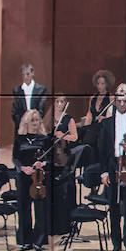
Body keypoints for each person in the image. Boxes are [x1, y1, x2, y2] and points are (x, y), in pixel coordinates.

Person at [97, 83, 126, 251]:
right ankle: (116, 244)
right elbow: (101, 149)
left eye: (125, 101)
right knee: (114, 207)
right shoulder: (107, 123)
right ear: (115, 102)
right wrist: (103, 172)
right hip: (112, 167)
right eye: (119, 101)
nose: (122, 104)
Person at [13, 109, 51, 251]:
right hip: (23, 176)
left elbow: (50, 158)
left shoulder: (44, 139)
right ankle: (25, 240)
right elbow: (15, 158)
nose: (36, 123)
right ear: (26, 122)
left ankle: (39, 241)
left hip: (39, 177)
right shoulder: (19, 139)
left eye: (37, 120)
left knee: (40, 209)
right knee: (23, 208)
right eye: (33, 120)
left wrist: (42, 164)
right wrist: (22, 168)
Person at [47, 93, 79, 239]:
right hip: (51, 158)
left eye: (62, 101)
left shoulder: (68, 118)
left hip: (64, 158)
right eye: (57, 101)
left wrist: (62, 136)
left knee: (65, 194)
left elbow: (75, 137)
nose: (60, 104)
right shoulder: (49, 117)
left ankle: (65, 225)